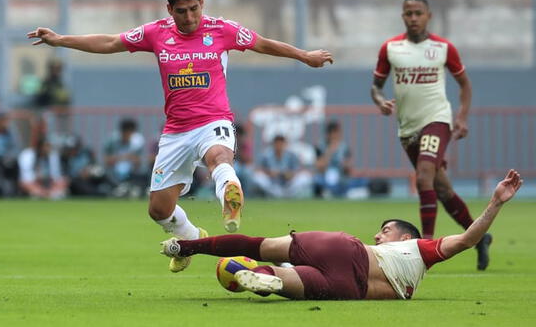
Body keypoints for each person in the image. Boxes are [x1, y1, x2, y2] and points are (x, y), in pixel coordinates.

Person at [28, 0, 333, 272]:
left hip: (214, 121)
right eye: (181, 11)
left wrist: (305, 56)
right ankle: (192, 239)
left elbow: (263, 44)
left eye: (194, 9)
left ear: (203, 3)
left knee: (219, 157)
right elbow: (110, 41)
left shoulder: (223, 29)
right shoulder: (155, 33)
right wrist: (59, 40)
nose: (189, 17)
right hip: (176, 132)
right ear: (169, 9)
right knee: (159, 210)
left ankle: (230, 193)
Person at [161, 169, 523, 300]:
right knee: (287, 280)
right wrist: (496, 204)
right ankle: (261, 277)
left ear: (403, 237)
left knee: (260, 245)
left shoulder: (418, 246)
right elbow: (467, 241)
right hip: (349, 291)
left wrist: (494, 201)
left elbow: (468, 238)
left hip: (345, 251)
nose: (380, 235)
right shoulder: (412, 280)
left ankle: (185, 244)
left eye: (385, 231)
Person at [369, 0, 492, 270]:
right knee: (442, 189)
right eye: (408, 13)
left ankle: (425, 247)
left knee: (423, 177)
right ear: (403, 16)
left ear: (428, 15)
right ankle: (479, 237)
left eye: (418, 13)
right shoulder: (390, 48)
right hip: (407, 128)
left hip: (436, 120)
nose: (413, 18)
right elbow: (376, 86)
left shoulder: (443, 48)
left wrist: (460, 118)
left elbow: (465, 86)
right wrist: (380, 101)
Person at [252, 134, 313, 199]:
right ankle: (275, 195)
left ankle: (287, 195)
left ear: (285, 144)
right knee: (257, 176)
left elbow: (297, 170)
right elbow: (259, 169)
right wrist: (269, 173)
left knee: (305, 176)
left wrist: (290, 174)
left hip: (288, 185)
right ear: (273, 144)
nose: (279, 146)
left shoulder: (291, 155)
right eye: (277, 143)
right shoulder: (267, 155)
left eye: (281, 143)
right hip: (273, 185)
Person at [104, 118, 146, 197]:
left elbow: (138, 162)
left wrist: (129, 158)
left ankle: (127, 189)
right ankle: (118, 189)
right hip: (114, 173)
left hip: (130, 174)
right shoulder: (112, 141)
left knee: (142, 176)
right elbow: (107, 160)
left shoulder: (137, 141)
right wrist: (124, 157)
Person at [313, 120, 352, 198]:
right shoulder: (320, 146)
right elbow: (319, 167)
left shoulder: (344, 147)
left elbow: (349, 169)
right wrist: (330, 150)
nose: (338, 135)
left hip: (340, 176)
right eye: (336, 133)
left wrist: (346, 166)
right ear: (329, 134)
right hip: (325, 175)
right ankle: (328, 192)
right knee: (319, 179)